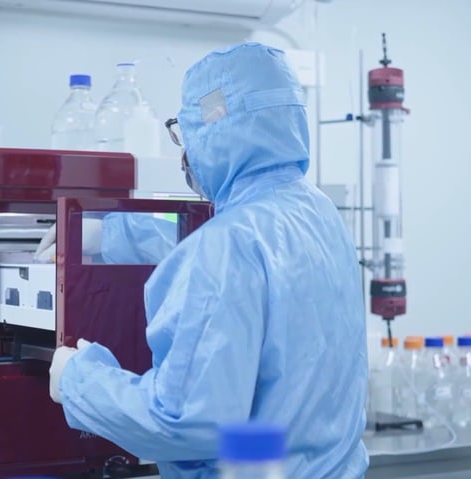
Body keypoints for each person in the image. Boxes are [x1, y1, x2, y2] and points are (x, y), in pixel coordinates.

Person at [42, 42, 368, 478]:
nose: (185, 152)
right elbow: (241, 263)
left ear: (211, 131)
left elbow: (183, 421)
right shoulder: (317, 212)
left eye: (185, 133)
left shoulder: (225, 246)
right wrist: (112, 233)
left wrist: (78, 381)